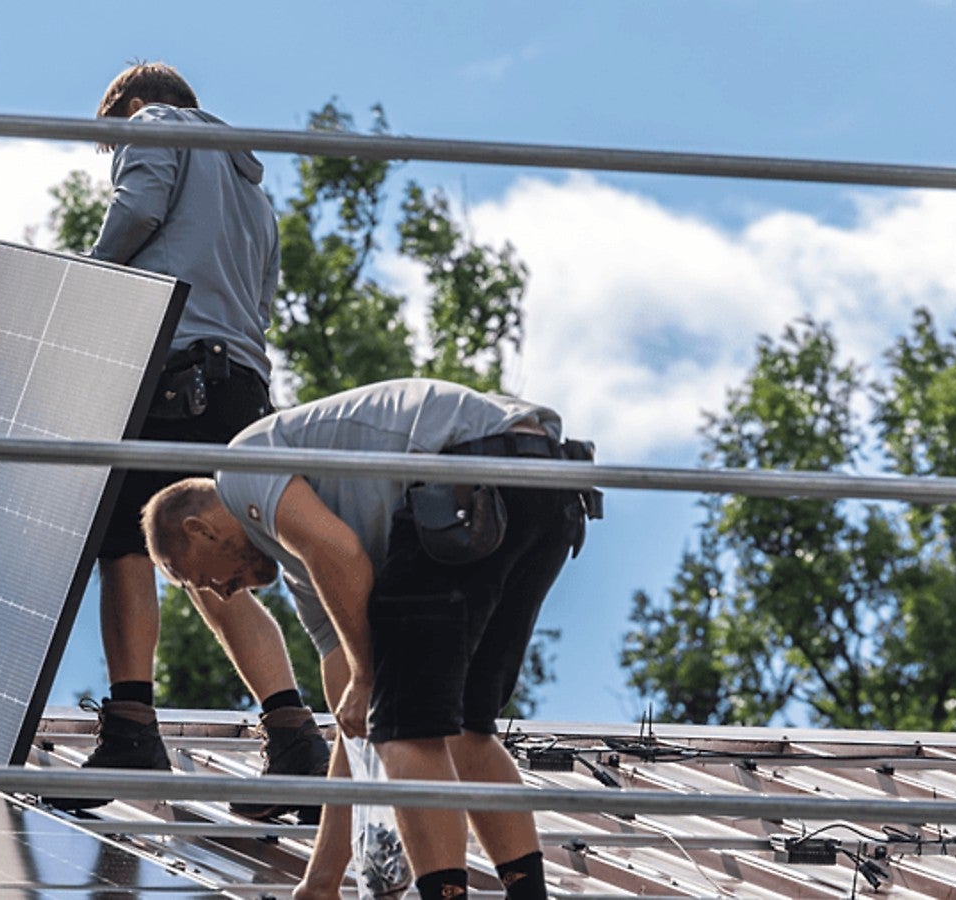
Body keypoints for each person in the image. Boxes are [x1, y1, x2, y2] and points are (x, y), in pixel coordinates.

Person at [141, 378, 601, 900]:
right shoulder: (305, 568)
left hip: (465, 487)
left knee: (408, 730)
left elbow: (339, 556)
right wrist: (322, 881)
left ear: (200, 530)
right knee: (464, 729)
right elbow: (355, 724)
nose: (221, 593)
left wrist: (366, 677)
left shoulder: (242, 469)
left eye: (199, 579)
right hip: (546, 491)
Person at [54, 62, 328, 819]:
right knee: (221, 563)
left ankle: (134, 727)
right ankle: (294, 734)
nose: (116, 157)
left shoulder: (152, 127)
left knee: (126, 545)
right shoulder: (253, 192)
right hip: (239, 388)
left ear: (133, 110)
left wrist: (86, 284)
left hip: (174, 375)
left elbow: (138, 210)